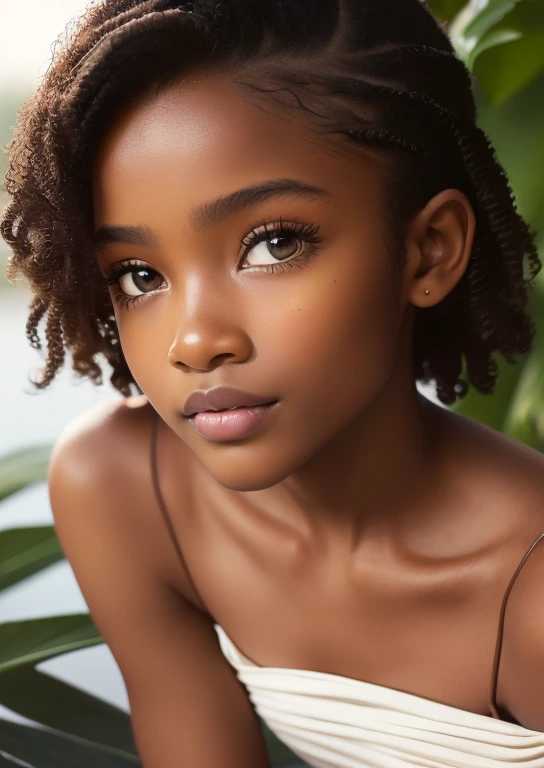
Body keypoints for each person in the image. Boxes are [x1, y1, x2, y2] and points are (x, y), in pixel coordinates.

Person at [2, 0, 544, 765]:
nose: (195, 342)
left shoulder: (533, 593)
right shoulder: (126, 486)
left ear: (428, 252)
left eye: (273, 243)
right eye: (139, 274)